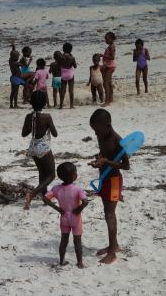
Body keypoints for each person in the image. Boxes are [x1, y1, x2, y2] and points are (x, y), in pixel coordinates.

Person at [88, 109, 130, 264]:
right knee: (107, 213)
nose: (95, 134)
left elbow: (125, 165)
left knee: (110, 214)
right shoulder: (102, 135)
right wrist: (99, 160)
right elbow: (106, 155)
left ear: (107, 125)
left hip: (114, 180)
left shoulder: (117, 140)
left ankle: (112, 252)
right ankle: (115, 244)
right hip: (104, 178)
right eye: (94, 130)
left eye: (97, 130)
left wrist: (106, 162)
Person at [43, 162, 88, 268]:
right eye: (75, 172)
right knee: (77, 241)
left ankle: (62, 261)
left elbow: (45, 198)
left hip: (64, 217)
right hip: (75, 218)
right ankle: (80, 263)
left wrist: (57, 208)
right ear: (74, 176)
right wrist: (79, 208)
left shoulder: (56, 189)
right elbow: (85, 202)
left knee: (64, 240)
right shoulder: (77, 189)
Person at [22, 91, 57, 210]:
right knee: (51, 174)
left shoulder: (29, 117)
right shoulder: (47, 117)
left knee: (42, 174)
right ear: (44, 103)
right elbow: (55, 133)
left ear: (31, 102)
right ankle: (32, 194)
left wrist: (33, 126)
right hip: (43, 148)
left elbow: (24, 133)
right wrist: (47, 126)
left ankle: (45, 198)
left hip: (33, 148)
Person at [9, 44, 33, 108]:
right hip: (16, 79)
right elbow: (23, 65)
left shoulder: (10, 60)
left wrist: (13, 48)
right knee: (15, 92)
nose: (18, 57)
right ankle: (16, 105)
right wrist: (28, 60)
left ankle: (11, 105)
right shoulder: (16, 63)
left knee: (12, 92)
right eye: (17, 56)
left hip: (13, 78)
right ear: (14, 57)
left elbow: (12, 53)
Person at [59, 42, 77, 109]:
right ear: (71, 50)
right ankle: (71, 105)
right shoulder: (72, 58)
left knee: (63, 91)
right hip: (70, 74)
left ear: (63, 49)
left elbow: (59, 65)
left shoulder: (61, 57)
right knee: (71, 90)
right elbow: (75, 66)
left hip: (63, 74)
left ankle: (61, 105)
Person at [101, 32, 116, 106]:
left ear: (112, 39)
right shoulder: (110, 46)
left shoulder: (111, 47)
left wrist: (102, 55)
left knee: (106, 83)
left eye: (107, 39)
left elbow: (112, 57)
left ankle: (107, 101)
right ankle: (111, 98)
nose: (105, 40)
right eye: (105, 39)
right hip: (108, 66)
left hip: (110, 66)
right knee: (109, 83)